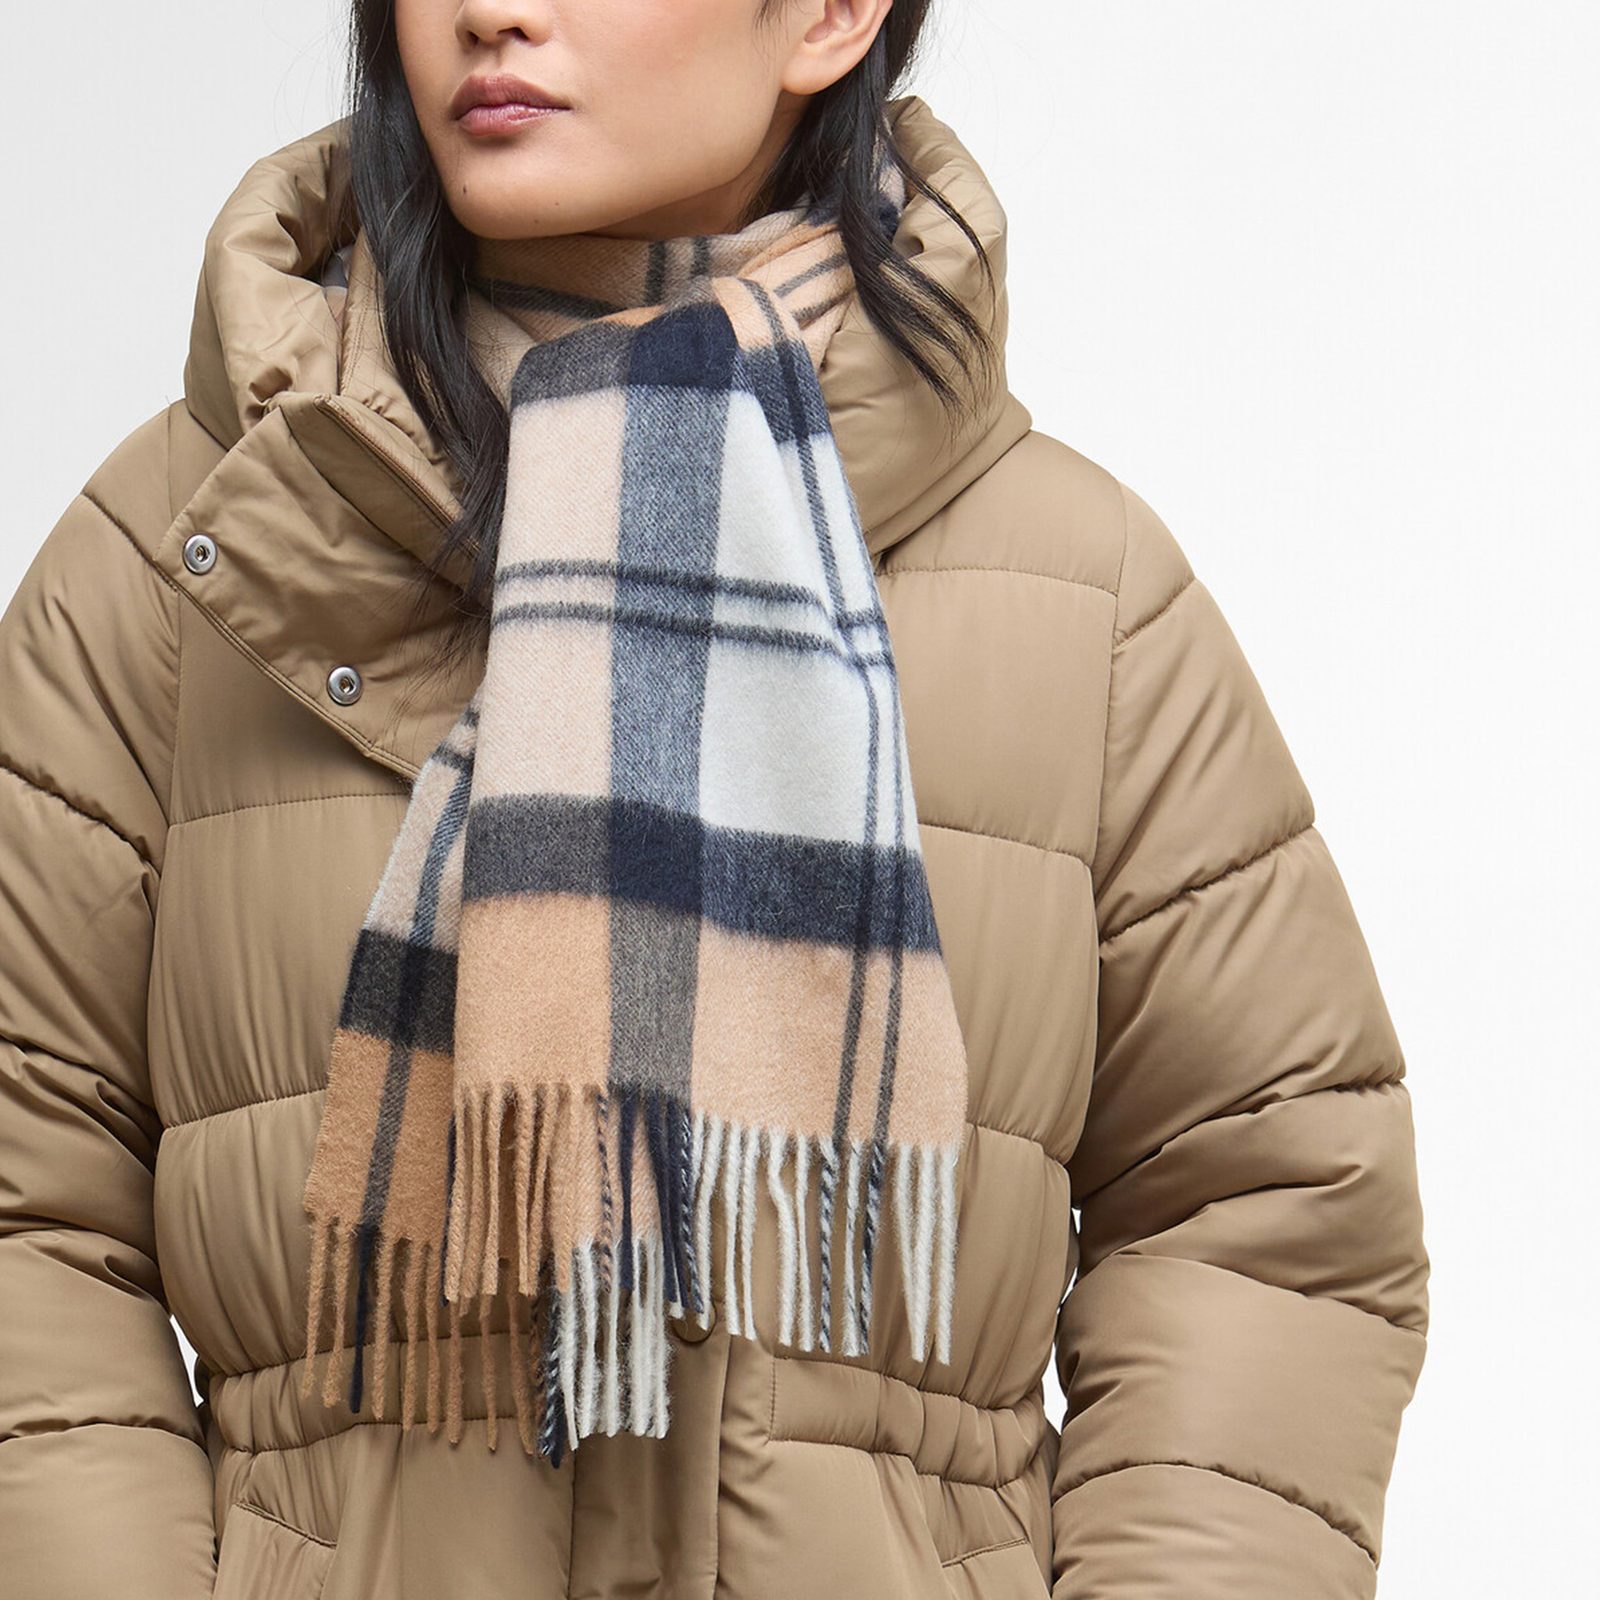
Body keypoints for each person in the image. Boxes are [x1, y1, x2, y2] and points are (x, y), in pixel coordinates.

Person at [0, 1, 1429, 1596]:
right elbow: (28, 1212)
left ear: (827, 17)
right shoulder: (181, 569)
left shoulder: (1082, 601)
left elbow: (1266, 1212)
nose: (488, 13)